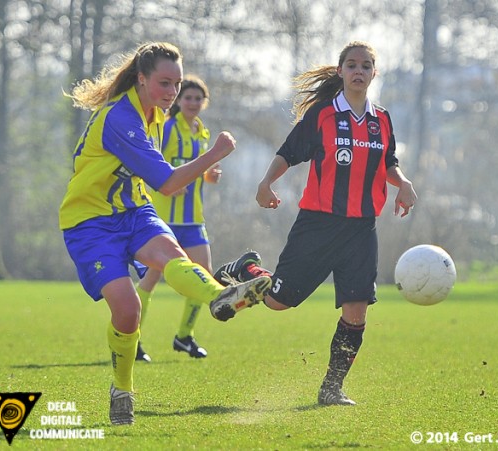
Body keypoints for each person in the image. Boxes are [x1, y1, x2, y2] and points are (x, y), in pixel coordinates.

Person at [59, 42, 271, 425]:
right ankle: (122, 388)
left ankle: (221, 297)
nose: (172, 93)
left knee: (173, 257)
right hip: (90, 222)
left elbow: (157, 180)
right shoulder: (121, 119)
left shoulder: (152, 112)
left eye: (176, 83)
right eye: (164, 83)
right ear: (141, 79)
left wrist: (203, 167)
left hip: (134, 211)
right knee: (128, 311)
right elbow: (168, 183)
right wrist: (215, 153)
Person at [209, 41, 418, 406]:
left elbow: (388, 162)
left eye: (366, 66)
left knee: (357, 313)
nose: (359, 71)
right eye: (352, 65)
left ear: (374, 73)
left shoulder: (381, 119)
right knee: (278, 302)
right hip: (318, 224)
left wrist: (404, 185)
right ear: (340, 71)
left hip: (361, 229)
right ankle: (247, 268)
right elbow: (289, 152)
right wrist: (265, 183)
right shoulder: (323, 115)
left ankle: (331, 388)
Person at [135, 75, 222, 362]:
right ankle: (132, 338)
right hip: (164, 218)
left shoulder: (202, 131)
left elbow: (199, 168)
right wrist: (168, 184)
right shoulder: (169, 128)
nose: (193, 103)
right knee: (151, 278)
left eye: (198, 99)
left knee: (203, 276)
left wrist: (209, 175)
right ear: (178, 100)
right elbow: (152, 162)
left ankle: (184, 336)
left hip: (193, 218)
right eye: (188, 97)